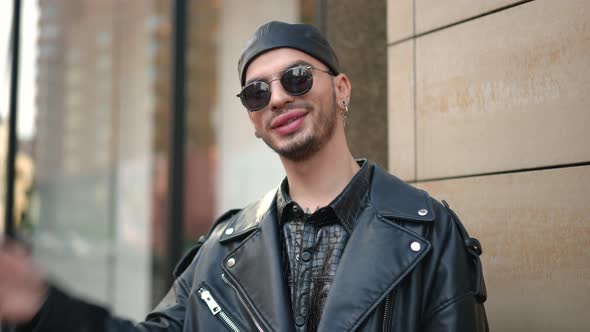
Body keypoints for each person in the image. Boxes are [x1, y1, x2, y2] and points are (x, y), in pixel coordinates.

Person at [0, 21, 488, 331]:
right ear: (253, 121)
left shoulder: (426, 231)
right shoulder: (220, 250)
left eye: (296, 78)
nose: (276, 98)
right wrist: (47, 309)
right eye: (256, 93)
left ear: (341, 88)